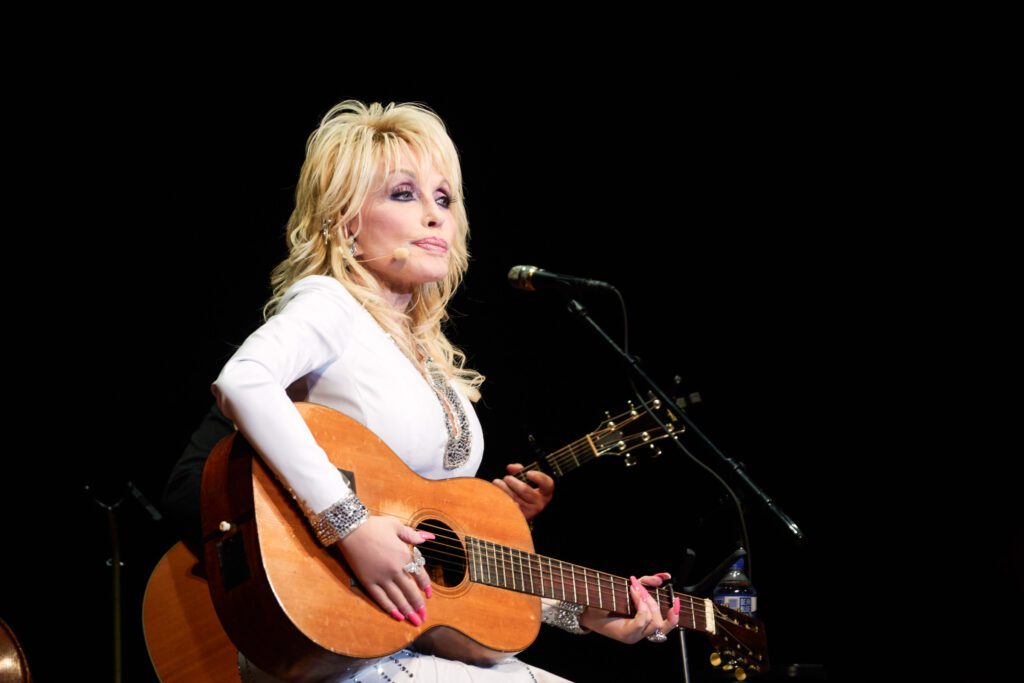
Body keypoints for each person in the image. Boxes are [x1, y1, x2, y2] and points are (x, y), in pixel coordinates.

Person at [204, 99, 680, 682]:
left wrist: (574, 612)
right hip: (337, 641)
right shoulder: (329, 304)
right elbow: (243, 380)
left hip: (409, 639)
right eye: (402, 194)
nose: (434, 216)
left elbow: (444, 561)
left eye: (444, 198)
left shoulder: (426, 352)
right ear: (345, 220)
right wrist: (349, 524)